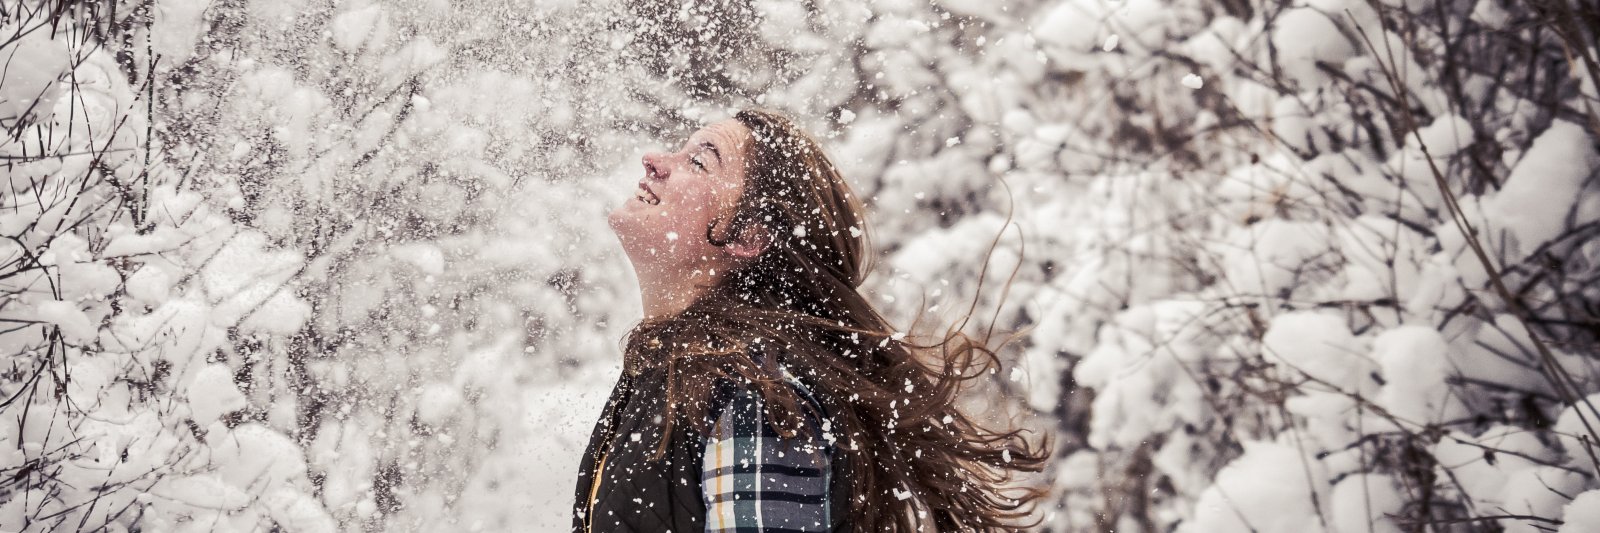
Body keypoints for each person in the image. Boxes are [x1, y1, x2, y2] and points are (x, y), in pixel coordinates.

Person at [571, 109, 1049, 532]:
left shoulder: (754, 393)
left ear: (750, 237)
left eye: (700, 160)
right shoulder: (682, 376)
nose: (655, 159)